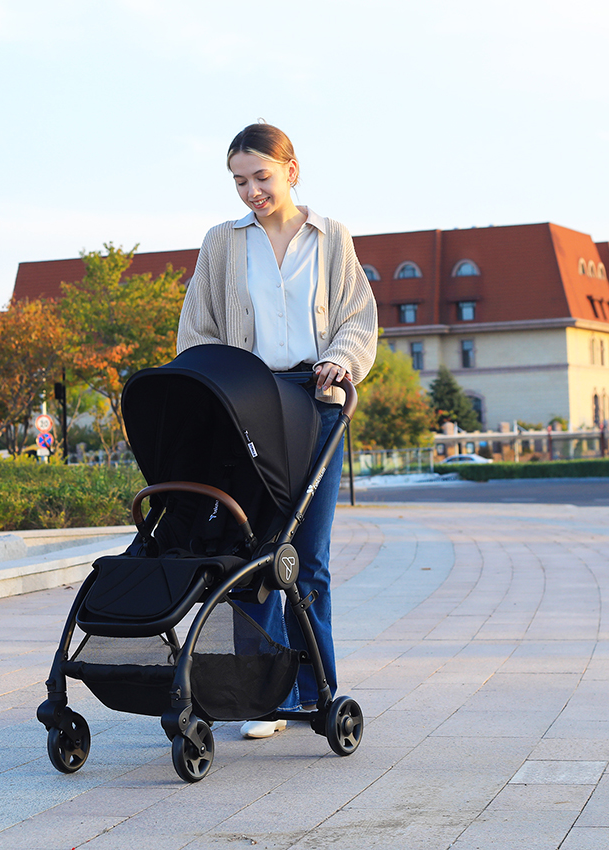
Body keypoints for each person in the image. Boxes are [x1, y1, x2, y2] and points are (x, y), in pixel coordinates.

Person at [177, 122, 377, 738]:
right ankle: (261, 692)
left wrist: (342, 360)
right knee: (249, 549)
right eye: (239, 181)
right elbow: (197, 330)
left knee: (306, 557)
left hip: (313, 403)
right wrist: (212, 389)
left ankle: (319, 692)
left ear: (292, 170)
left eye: (261, 177)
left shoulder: (332, 238)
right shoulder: (222, 243)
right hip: (246, 408)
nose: (251, 191)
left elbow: (358, 317)